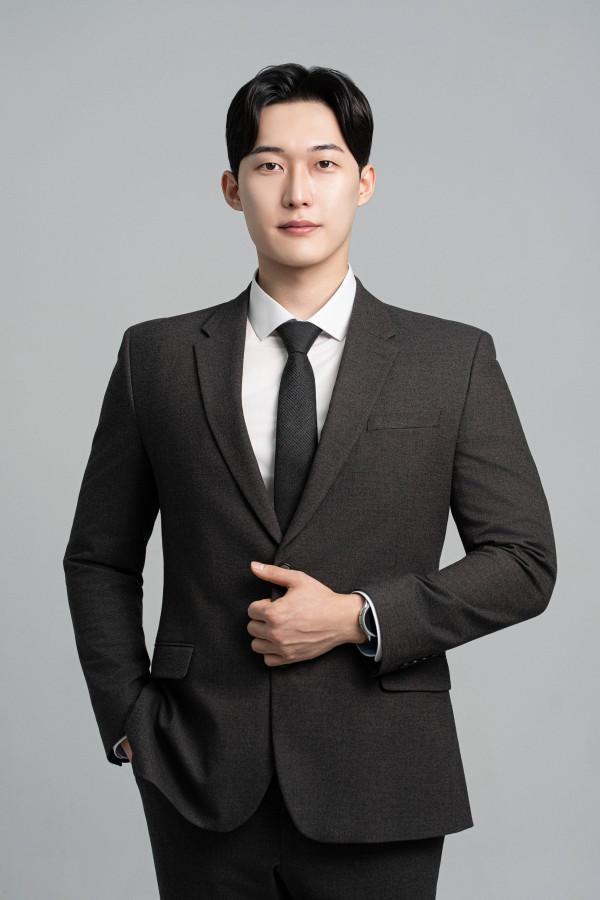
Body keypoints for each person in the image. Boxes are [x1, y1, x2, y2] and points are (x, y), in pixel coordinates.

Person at [63, 63, 557, 899]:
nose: (297, 191)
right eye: (269, 164)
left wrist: (357, 617)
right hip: (197, 775)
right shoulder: (157, 358)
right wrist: (129, 720)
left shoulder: (452, 360)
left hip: (384, 778)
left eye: (324, 163)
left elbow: (524, 561)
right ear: (233, 188)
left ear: (364, 183)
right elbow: (99, 558)